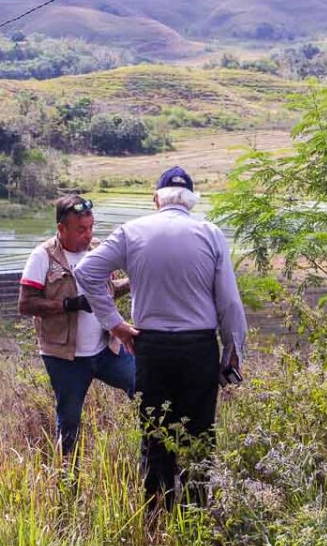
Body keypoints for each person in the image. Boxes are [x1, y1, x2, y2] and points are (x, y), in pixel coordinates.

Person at [74, 166, 247, 509]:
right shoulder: (210, 233)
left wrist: (116, 324)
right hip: (198, 348)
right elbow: (228, 301)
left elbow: (86, 272)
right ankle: (195, 516)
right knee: (199, 435)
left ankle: (156, 518)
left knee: (155, 435)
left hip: (148, 347)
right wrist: (233, 351)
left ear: (156, 199)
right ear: (191, 202)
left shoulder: (132, 231)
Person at [17, 195, 134, 458]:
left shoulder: (97, 250)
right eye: (81, 229)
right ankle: (67, 485)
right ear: (62, 229)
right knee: (69, 423)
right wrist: (71, 304)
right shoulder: (42, 256)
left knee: (144, 386)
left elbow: (107, 291)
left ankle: (152, 457)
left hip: (106, 350)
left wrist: (134, 281)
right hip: (65, 358)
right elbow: (26, 304)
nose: (88, 235)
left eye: (91, 227)